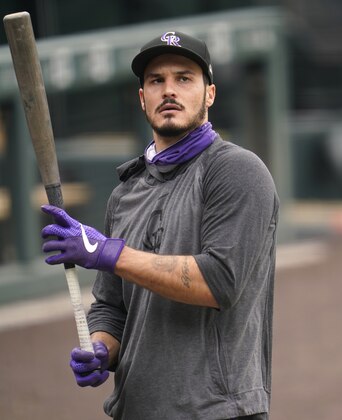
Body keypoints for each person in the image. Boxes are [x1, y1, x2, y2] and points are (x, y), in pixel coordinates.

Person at [40, 31, 279, 420]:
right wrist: (101, 348)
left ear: (210, 94)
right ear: (142, 99)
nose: (170, 90)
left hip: (217, 411)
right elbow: (112, 307)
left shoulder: (236, 170)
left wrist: (107, 253)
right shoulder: (125, 194)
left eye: (184, 78)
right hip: (137, 409)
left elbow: (220, 281)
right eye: (157, 81)